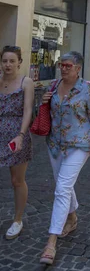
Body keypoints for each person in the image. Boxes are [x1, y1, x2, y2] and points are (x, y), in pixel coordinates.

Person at [40, 51, 90, 265]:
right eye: (62, 64)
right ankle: (72, 217)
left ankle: (51, 243)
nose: (64, 68)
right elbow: (46, 114)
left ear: (78, 68)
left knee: (62, 189)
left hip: (80, 144)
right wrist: (44, 101)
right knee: (64, 185)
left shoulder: (88, 88)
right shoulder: (53, 85)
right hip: (55, 145)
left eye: (68, 65)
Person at [0, 46, 34, 240]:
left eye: (12, 61)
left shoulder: (25, 82)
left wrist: (21, 135)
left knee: (16, 180)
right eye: (5, 61)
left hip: (16, 136)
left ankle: (17, 220)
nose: (8, 65)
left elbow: (28, 110)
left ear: (19, 62)